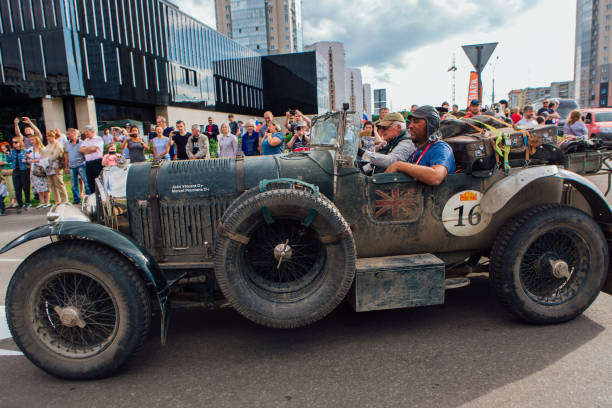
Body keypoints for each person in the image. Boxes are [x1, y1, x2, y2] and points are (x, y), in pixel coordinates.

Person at [385, 106, 456, 186]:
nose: (410, 126)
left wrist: (399, 165)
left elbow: (436, 177)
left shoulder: (441, 148)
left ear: (430, 125)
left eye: (416, 121)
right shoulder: (417, 152)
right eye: (411, 122)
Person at [64, 128, 90, 204]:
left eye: (69, 134)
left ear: (74, 134)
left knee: (86, 182)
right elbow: (66, 155)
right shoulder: (67, 143)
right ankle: (76, 199)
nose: (68, 136)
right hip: (72, 166)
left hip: (81, 164)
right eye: (67, 134)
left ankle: (88, 198)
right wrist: (66, 166)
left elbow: (85, 153)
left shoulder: (81, 143)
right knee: (74, 184)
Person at [43, 131, 68, 205]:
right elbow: (44, 154)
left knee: (59, 183)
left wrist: (47, 159)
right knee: (52, 184)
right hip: (48, 167)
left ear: (53, 136)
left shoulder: (58, 144)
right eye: (47, 136)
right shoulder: (48, 145)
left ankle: (64, 200)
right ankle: (57, 200)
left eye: (49, 136)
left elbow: (55, 155)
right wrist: (45, 161)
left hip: (56, 166)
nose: (48, 138)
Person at [79, 125, 104, 194]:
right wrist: (89, 150)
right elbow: (80, 150)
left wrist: (86, 150)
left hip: (97, 162)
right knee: (90, 181)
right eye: (85, 132)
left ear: (92, 131)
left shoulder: (98, 139)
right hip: (88, 163)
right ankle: (94, 195)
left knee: (99, 180)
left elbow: (94, 149)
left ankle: (102, 195)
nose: (85, 133)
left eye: (87, 131)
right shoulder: (86, 140)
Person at [27, 134, 50, 208]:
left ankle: (47, 201)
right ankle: (42, 201)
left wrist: (34, 160)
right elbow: (28, 159)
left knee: (45, 185)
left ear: (37, 140)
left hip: (41, 169)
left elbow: (45, 159)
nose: (32, 141)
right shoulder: (30, 149)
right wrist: (27, 159)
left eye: (33, 140)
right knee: (38, 186)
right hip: (33, 169)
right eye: (31, 140)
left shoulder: (42, 149)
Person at [8, 136, 30, 212]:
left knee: (25, 187)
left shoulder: (25, 151)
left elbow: (29, 161)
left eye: (15, 142)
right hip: (15, 171)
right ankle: (19, 204)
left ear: (20, 142)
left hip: (24, 170)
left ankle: (27, 202)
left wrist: (26, 161)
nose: (14, 144)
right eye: (13, 142)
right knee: (17, 188)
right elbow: (9, 160)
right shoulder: (12, 151)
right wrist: (7, 154)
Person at [0, 142, 17, 209]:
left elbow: (12, 162)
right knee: (6, 188)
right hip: (3, 173)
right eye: (2, 147)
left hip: (10, 172)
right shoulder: (1, 154)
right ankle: (10, 201)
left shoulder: (11, 153)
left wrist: (5, 162)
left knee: (11, 187)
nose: (3, 148)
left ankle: (14, 201)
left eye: (4, 146)